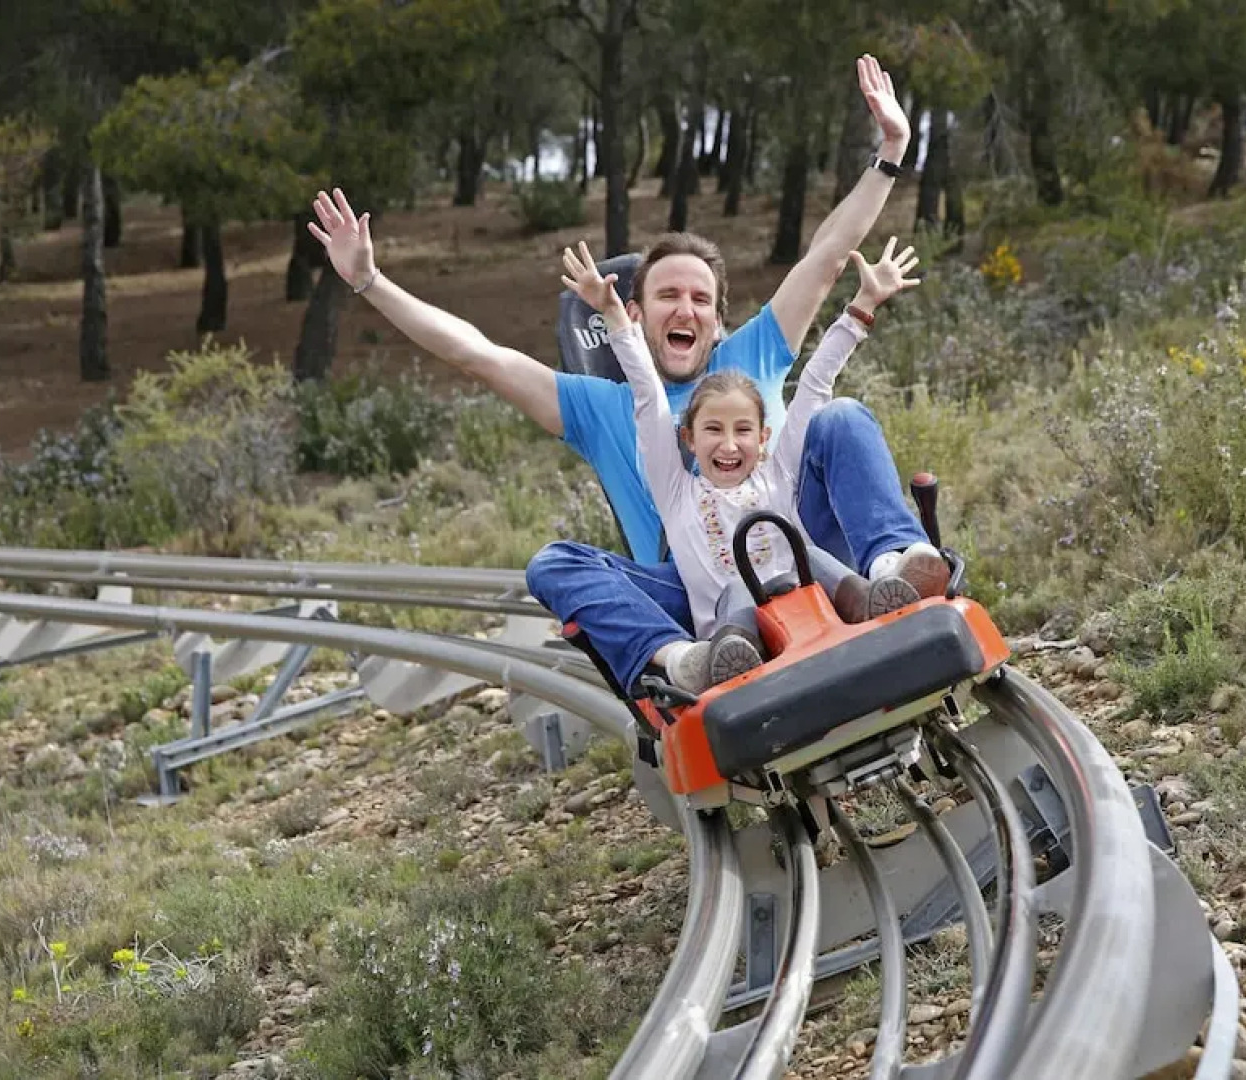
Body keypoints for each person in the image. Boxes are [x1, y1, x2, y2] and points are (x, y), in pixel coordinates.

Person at [307, 54, 945, 691]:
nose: (685, 308)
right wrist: (369, 281)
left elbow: (828, 258)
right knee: (553, 564)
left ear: (720, 322)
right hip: (698, 590)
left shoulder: (752, 353)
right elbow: (475, 353)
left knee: (839, 416)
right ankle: (681, 660)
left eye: (700, 298)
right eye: (668, 295)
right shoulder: (600, 405)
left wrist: (892, 149)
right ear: (634, 316)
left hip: (800, 540)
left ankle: (895, 567)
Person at [560, 237, 927, 692]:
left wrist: (863, 304)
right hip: (732, 632)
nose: (730, 445)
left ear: (765, 438)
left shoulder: (778, 473)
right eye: (713, 430)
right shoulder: (676, 493)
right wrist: (615, 317)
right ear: (688, 440)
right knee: (735, 590)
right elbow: (647, 396)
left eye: (743, 431)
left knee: (812, 538)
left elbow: (816, 382)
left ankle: (880, 585)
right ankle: (716, 654)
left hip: (810, 602)